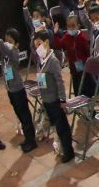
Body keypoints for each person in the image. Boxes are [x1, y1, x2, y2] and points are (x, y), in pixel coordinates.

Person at [0, 28, 37, 152]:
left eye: (10, 41)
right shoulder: (5, 55)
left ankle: (32, 141)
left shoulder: (14, 53)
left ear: (16, 44)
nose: (7, 43)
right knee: (20, 115)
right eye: (6, 40)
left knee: (25, 115)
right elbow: (0, 49)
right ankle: (27, 138)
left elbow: (5, 49)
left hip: (18, 90)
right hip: (10, 90)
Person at [32, 30, 76, 161]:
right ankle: (62, 148)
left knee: (62, 127)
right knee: (57, 126)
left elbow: (59, 81)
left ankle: (69, 152)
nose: (37, 47)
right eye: (35, 45)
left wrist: (62, 99)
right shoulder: (41, 59)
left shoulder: (53, 61)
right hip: (46, 99)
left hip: (55, 100)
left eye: (39, 44)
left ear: (46, 43)